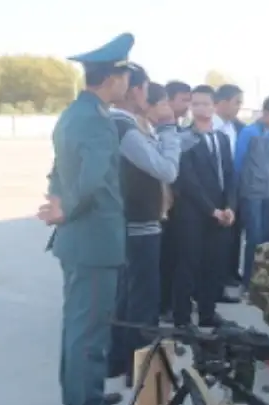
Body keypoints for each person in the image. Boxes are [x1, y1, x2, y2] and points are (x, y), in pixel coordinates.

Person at [38, 32, 135, 405]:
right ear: (113, 78)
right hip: (93, 239)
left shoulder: (73, 114)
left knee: (78, 324)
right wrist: (66, 207)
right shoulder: (96, 120)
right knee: (90, 327)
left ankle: (79, 394)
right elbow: (92, 180)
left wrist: (57, 199)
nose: (127, 84)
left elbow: (58, 169)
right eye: (125, 77)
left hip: (78, 240)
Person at [107, 73, 182, 387]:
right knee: (141, 299)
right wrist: (168, 129)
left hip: (136, 221)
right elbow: (167, 170)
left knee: (129, 296)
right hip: (138, 223)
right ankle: (139, 369)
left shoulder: (127, 124)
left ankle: (120, 360)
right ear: (136, 91)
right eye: (153, 95)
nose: (163, 106)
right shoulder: (125, 126)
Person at [170, 85, 236, 328]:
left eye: (205, 103)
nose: (200, 108)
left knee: (213, 264)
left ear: (214, 106)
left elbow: (230, 175)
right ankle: (182, 318)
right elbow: (188, 181)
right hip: (192, 213)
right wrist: (211, 210)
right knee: (188, 266)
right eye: (195, 103)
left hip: (220, 213)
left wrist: (230, 206)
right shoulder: (184, 138)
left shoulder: (222, 138)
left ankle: (208, 313)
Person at [234, 96, 269, 288]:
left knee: (265, 235)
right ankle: (248, 281)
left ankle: (261, 278)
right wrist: (237, 188)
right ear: (265, 112)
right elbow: (238, 161)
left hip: (266, 189)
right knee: (253, 236)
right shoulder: (249, 132)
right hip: (250, 190)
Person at [159, 80, 192, 322]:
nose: (187, 105)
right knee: (165, 257)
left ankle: (173, 302)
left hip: (181, 204)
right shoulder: (159, 131)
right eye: (184, 100)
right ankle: (163, 304)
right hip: (163, 204)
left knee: (176, 255)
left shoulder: (181, 130)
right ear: (168, 101)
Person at [212, 84, 247, 289]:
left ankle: (229, 274)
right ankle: (215, 281)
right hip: (215, 190)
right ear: (223, 102)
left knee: (234, 235)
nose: (239, 107)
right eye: (236, 102)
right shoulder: (210, 127)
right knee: (217, 240)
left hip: (234, 187)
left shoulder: (238, 128)